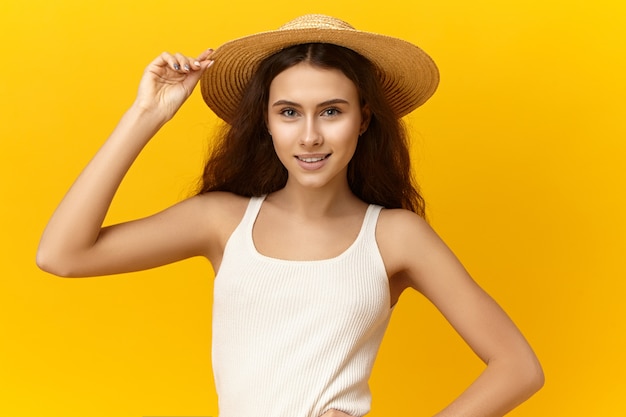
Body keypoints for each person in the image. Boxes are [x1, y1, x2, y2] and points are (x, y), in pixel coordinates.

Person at [37, 14, 544, 417]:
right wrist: (147, 114)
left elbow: (518, 368)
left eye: (331, 111)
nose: (309, 137)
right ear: (266, 121)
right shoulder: (221, 220)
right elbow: (61, 255)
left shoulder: (394, 236)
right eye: (288, 112)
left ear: (363, 119)